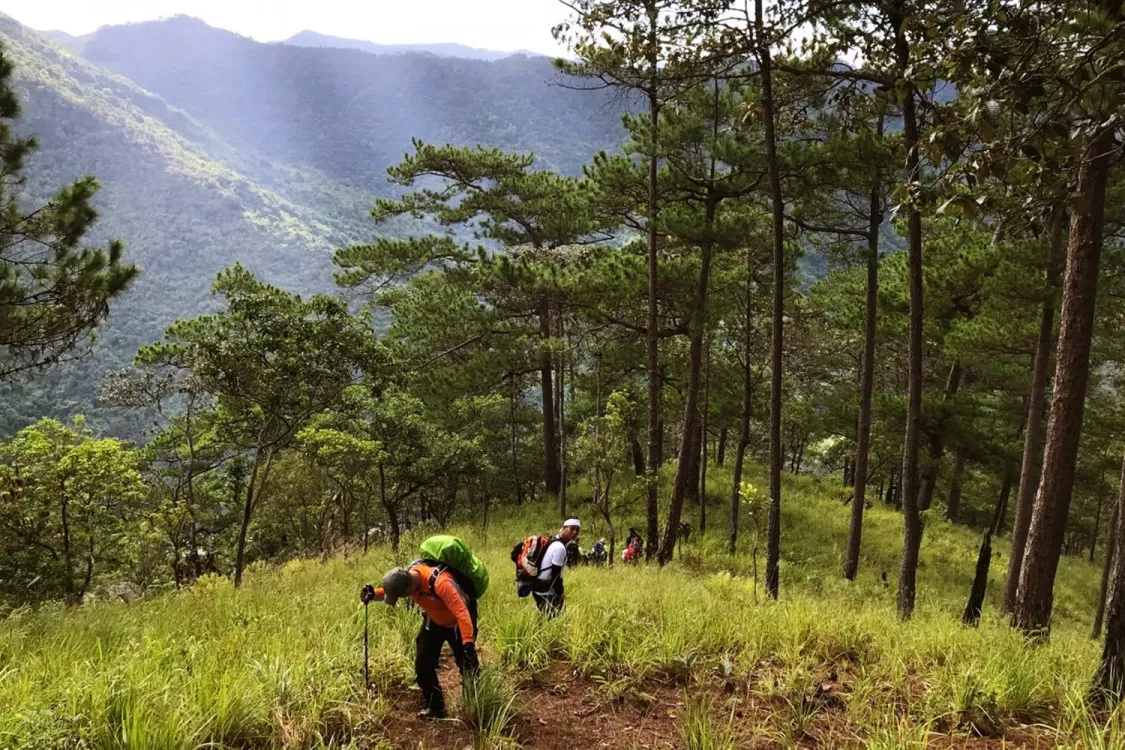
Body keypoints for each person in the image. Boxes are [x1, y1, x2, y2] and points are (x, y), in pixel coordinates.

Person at [360, 562, 479, 720]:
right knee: (422, 666)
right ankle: (436, 708)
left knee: (468, 665)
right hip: (434, 622)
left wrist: (468, 644)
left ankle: (475, 706)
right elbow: (390, 591)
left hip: (458, 624)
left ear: (407, 590)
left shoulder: (441, 582)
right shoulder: (408, 579)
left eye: (402, 595)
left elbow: (462, 613)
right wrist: (373, 594)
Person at [533, 518, 580, 618]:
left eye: (577, 530)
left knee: (541, 618)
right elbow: (556, 574)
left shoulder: (552, 540)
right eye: (572, 529)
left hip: (538, 586)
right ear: (563, 528)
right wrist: (560, 594)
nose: (575, 532)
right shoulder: (560, 548)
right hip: (547, 590)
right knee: (550, 620)